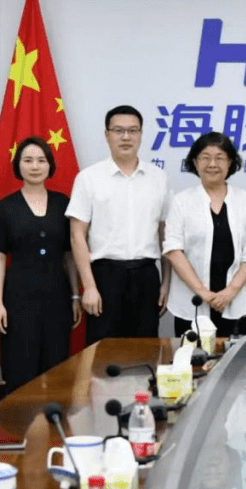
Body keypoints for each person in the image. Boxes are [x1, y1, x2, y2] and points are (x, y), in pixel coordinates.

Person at [66, 105, 171, 343]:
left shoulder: (158, 177)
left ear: (141, 134)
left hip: (146, 277)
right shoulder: (89, 178)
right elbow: (77, 235)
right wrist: (89, 286)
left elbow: (165, 234)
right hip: (105, 277)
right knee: (103, 352)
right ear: (107, 135)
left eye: (133, 131)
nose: (126, 137)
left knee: (144, 351)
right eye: (118, 131)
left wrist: (166, 283)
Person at [0, 136, 81, 392]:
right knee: (20, 370)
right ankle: (19, 420)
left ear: (50, 165)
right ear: (18, 165)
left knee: (56, 369)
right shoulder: (5, 207)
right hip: (18, 300)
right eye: (28, 160)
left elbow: (69, 255)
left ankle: (53, 418)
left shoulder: (63, 203)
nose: (35, 166)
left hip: (57, 298)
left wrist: (75, 296)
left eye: (41, 160)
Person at [163, 132, 246, 338]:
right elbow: (173, 249)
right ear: (195, 162)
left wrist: (230, 291)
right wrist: (203, 292)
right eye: (205, 157)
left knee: (234, 356)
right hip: (192, 302)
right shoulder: (181, 201)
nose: (212, 164)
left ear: (230, 163)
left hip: (236, 301)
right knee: (192, 356)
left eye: (219, 158)